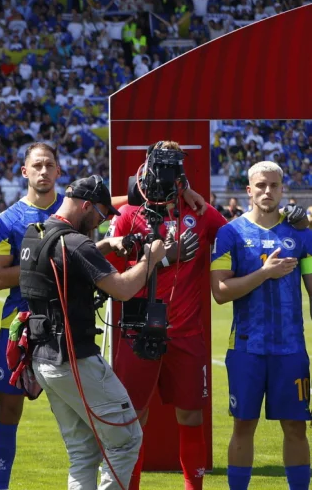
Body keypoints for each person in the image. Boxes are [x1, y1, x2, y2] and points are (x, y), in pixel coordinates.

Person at [18, 175, 164, 490]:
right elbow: (122, 289)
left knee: (83, 451)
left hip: (43, 359)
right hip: (76, 359)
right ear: (86, 205)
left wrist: (106, 245)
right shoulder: (76, 243)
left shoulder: (36, 234)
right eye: (101, 213)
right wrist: (151, 256)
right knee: (126, 440)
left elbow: (64, 258)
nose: (102, 221)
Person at [108, 141, 225, 490]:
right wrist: (157, 259)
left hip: (186, 333)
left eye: (173, 169)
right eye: (160, 167)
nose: (165, 176)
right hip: (138, 331)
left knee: (191, 415)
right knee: (133, 416)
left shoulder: (200, 212)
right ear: (147, 168)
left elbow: (237, 236)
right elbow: (109, 272)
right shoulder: (129, 215)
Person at [210, 161, 312, 490]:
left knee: (296, 427)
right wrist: (266, 273)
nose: (267, 191)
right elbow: (220, 292)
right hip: (246, 349)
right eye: (261, 185)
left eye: (274, 185)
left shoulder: (300, 233)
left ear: (283, 190)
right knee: (243, 425)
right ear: (249, 190)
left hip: (291, 349)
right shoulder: (230, 234)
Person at [0, 142, 62, 490]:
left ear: (58, 170)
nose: (43, 171)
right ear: (25, 171)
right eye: (37, 165)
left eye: (49, 165)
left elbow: (122, 205)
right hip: (17, 327)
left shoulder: (74, 210)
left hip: (65, 325)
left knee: (76, 412)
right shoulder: (8, 219)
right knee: (8, 410)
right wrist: (46, 264)